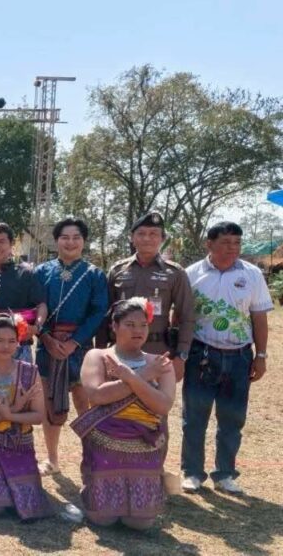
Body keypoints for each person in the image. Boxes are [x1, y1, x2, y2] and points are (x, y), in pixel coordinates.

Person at [181, 221, 272, 495]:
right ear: (209, 244)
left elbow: (259, 317)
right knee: (194, 417)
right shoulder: (191, 274)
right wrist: (180, 353)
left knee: (232, 418)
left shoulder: (252, 275)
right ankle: (192, 473)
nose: (232, 248)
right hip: (201, 354)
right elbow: (181, 316)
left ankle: (225, 474)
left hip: (239, 356)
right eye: (226, 242)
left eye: (237, 243)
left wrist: (261, 355)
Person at [75, 298, 175, 529]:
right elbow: (97, 395)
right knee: (103, 519)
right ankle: (91, 492)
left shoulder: (159, 363)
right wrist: (144, 375)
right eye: (130, 324)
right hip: (106, 443)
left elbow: (163, 405)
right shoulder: (98, 356)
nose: (138, 331)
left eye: (143, 325)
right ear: (114, 326)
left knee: (140, 523)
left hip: (145, 445)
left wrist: (131, 377)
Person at [34, 217, 109, 476]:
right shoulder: (41, 272)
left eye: (76, 237)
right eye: (65, 237)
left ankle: (92, 456)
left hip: (81, 347)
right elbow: (35, 307)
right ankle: (52, 459)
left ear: (84, 241)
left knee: (85, 402)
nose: (70, 242)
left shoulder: (94, 274)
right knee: (50, 403)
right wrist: (46, 338)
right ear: (56, 241)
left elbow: (99, 311)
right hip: (47, 346)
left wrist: (75, 342)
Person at [0, 315, 52, 521]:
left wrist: (9, 414)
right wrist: (13, 410)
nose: (5, 346)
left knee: (28, 505)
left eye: (11, 341)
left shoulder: (29, 372)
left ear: (18, 342)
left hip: (20, 445)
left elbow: (38, 416)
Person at [101, 211, 194, 380]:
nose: (147, 238)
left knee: (154, 397)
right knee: (117, 395)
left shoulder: (175, 273)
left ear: (162, 238)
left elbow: (187, 316)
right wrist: (101, 351)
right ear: (132, 237)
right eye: (141, 233)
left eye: (153, 234)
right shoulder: (117, 270)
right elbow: (104, 314)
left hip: (158, 352)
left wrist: (181, 356)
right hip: (120, 352)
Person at [0, 222, 48, 366]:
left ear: (11, 244)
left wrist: (36, 327)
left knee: (22, 381)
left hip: (19, 345)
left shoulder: (26, 273)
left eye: (2, 241)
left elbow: (41, 304)